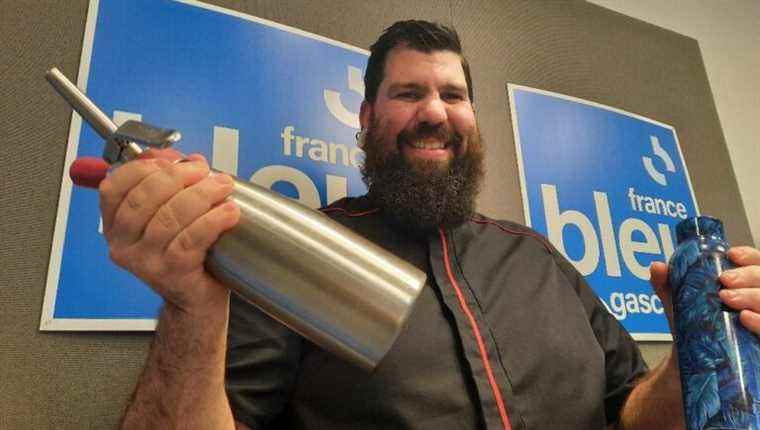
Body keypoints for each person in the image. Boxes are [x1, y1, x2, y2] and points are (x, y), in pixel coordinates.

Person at [98, 20, 760, 430]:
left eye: (453, 95)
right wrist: (190, 309)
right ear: (364, 118)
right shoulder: (292, 261)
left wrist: (694, 352)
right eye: (408, 93)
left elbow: (635, 415)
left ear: (474, 117)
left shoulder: (542, 260)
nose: (435, 112)